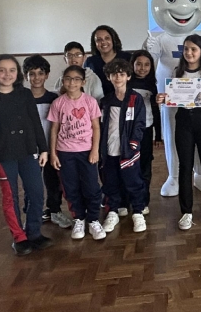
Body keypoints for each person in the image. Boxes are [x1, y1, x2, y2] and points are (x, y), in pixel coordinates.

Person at [0, 55, 52, 256]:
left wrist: (43, 148)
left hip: (28, 151)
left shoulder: (25, 94)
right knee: (10, 196)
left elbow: (35, 122)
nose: (7, 74)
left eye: (12, 70)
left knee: (36, 192)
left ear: (18, 73)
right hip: (2, 155)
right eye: (2, 70)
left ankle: (34, 232)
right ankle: (19, 237)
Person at [157, 34, 201, 230]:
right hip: (184, 121)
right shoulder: (177, 71)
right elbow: (171, 98)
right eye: (186, 48)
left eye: (193, 49)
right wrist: (163, 98)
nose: (189, 52)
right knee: (185, 166)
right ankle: (186, 212)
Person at [48, 65, 106, 240]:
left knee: (92, 186)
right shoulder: (58, 103)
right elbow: (54, 129)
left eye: (76, 79)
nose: (71, 83)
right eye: (68, 78)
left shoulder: (90, 102)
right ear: (63, 81)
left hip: (86, 152)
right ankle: (79, 218)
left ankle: (93, 219)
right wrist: (53, 153)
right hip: (65, 152)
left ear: (83, 82)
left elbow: (96, 127)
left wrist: (95, 150)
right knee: (71, 187)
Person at [23, 54, 72, 228]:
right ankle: (32, 215)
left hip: (51, 148)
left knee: (53, 182)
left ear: (47, 75)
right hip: (29, 150)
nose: (36, 77)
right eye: (32, 74)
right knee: (31, 184)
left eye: (40, 73)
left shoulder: (54, 98)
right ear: (26, 76)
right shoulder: (22, 98)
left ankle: (54, 210)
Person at [100, 59, 149, 233]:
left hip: (128, 151)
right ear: (109, 77)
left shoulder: (136, 99)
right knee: (111, 182)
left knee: (133, 181)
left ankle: (138, 212)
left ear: (128, 76)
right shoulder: (105, 101)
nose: (118, 77)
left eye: (122, 74)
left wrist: (133, 145)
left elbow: (140, 124)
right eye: (114, 74)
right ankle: (113, 211)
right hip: (109, 150)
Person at [128, 50, 162, 212]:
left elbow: (156, 111)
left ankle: (143, 201)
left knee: (145, 165)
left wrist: (158, 135)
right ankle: (127, 199)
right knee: (128, 164)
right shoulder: (126, 83)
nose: (142, 68)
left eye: (147, 65)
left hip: (146, 130)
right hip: (128, 131)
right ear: (132, 65)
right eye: (139, 64)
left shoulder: (152, 86)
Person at [85, 25, 133, 96]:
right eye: (99, 40)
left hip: (126, 99)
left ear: (113, 40)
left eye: (107, 38)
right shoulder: (90, 61)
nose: (103, 42)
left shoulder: (127, 58)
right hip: (98, 100)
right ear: (95, 43)